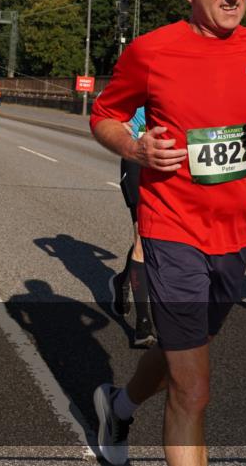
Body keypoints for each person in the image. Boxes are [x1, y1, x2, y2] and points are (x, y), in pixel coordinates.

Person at [89, 0, 246, 466]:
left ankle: (118, 404)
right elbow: (104, 115)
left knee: (184, 352)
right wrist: (136, 148)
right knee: (195, 390)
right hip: (170, 230)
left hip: (236, 239)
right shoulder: (151, 52)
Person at [108, 106, 156, 348]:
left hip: (168, 160)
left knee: (155, 238)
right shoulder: (139, 71)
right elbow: (107, 109)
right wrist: (117, 126)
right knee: (143, 239)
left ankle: (122, 282)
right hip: (137, 158)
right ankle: (143, 324)